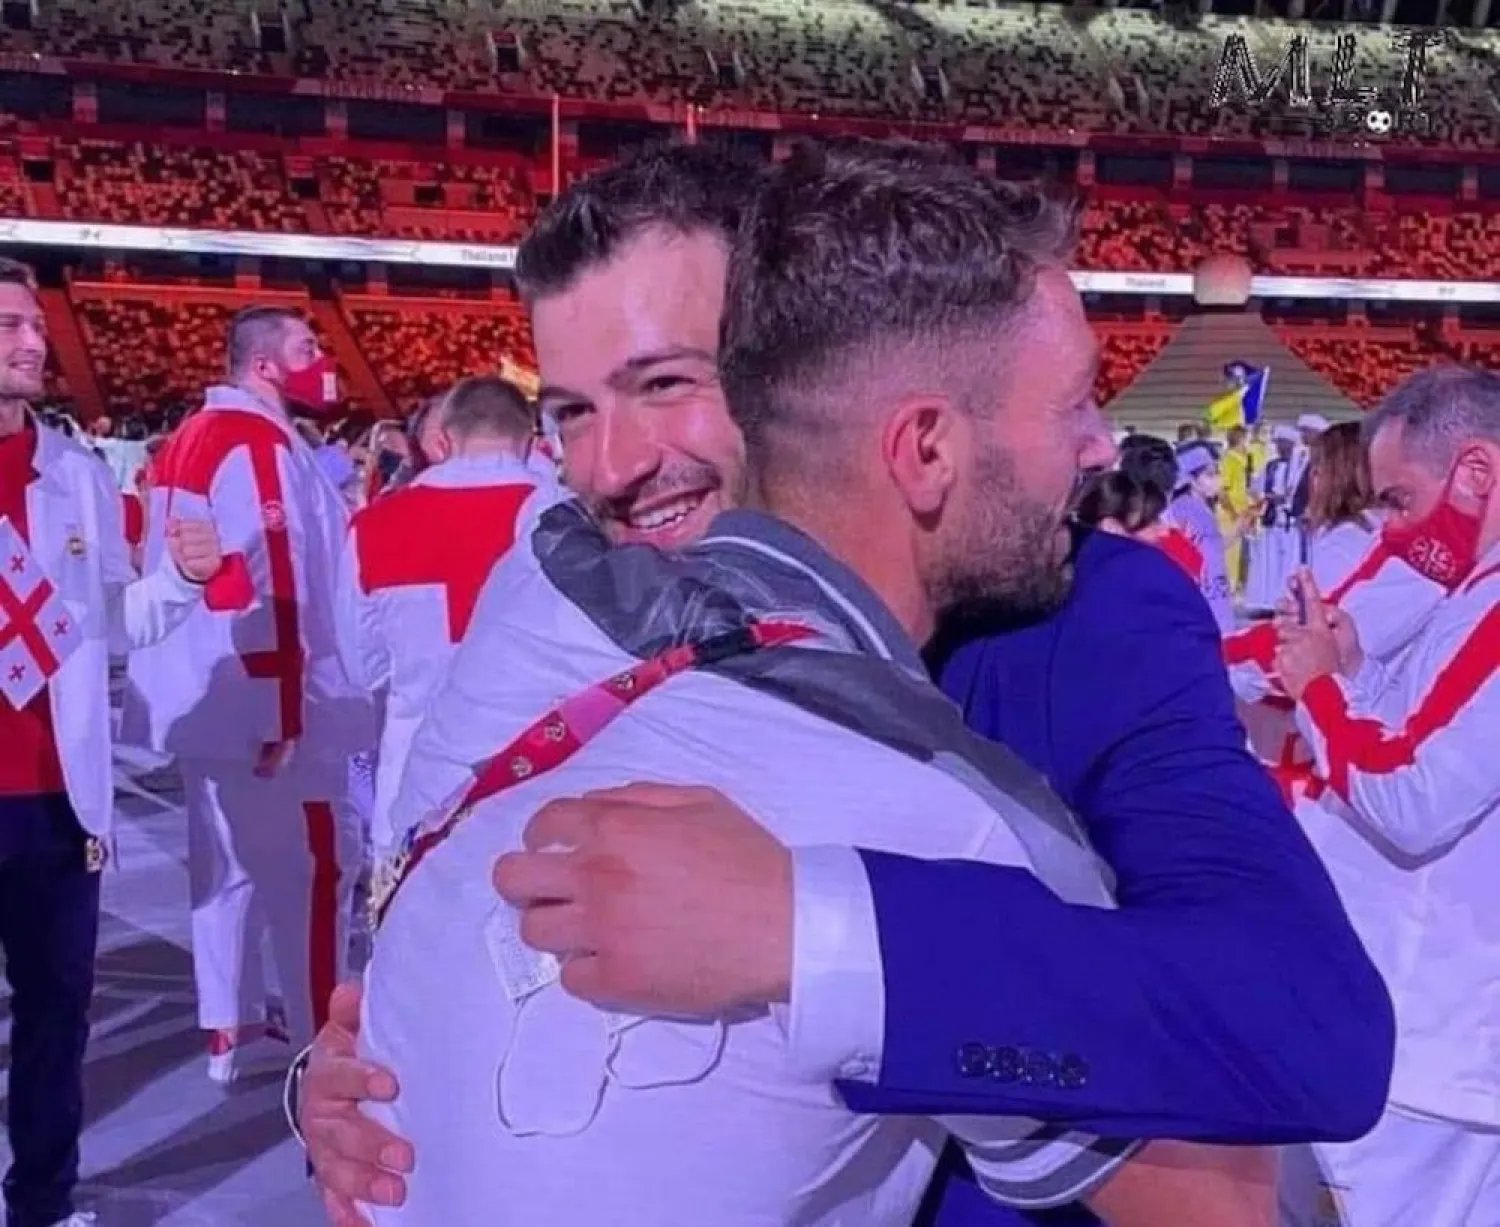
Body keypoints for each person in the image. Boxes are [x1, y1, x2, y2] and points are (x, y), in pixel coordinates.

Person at [293, 142, 1392, 1227]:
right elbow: (436, 922)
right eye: (572, 412)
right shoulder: (555, 576)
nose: (608, 467)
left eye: (669, 383)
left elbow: (1267, 1079)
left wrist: (813, 931)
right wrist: (356, 1083)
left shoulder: (1077, 614)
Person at [0, 256, 223, 1227]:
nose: (32, 343)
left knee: (57, 1022)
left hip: (58, 804)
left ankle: (41, 1207)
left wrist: (176, 581)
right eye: (9, 324)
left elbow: (112, 623)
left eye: (35, 327)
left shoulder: (79, 475)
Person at [122, 306, 376, 1083]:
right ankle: (320, 1046)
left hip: (203, 695)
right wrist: (285, 707)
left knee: (224, 871)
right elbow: (276, 582)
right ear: (266, 364)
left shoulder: (190, 436)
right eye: (307, 347)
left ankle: (228, 1026)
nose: (322, 358)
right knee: (314, 873)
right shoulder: (259, 443)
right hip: (260, 702)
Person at [1274, 366, 1500, 1227]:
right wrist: (1359, 675)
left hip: (1432, 1051)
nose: (1398, 532)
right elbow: (1433, 745)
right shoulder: (1474, 587)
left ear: (1475, 472)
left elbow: (1414, 794)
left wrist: (1322, 689)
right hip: (1425, 1040)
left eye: (1401, 501)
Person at [335, 375, 555, 860]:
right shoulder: (560, 515)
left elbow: (361, 667)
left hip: (416, 780)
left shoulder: (374, 526)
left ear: (445, 438)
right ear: (530, 439)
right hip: (535, 776)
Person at [1165, 440, 1233, 631]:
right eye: (1210, 475)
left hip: (1213, 587)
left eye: (1217, 473)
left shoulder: (1200, 507)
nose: (1217, 480)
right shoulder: (1186, 509)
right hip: (1203, 589)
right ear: (1191, 480)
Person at [1243, 424, 1301, 612]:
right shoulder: (1271, 466)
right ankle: (1266, 603)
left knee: (1288, 566)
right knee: (1269, 564)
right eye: (1278, 444)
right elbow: (1256, 489)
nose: (1280, 448)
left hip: (1291, 525)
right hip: (1272, 521)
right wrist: (1265, 497)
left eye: (1283, 444)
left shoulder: (1299, 466)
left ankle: (1286, 603)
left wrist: (1285, 498)